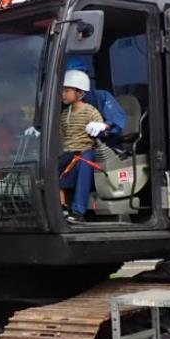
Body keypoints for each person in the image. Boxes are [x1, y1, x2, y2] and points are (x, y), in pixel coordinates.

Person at [58, 69, 104, 223]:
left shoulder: (90, 111)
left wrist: (101, 127)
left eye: (67, 90)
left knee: (85, 163)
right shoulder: (65, 114)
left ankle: (78, 211)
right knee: (50, 168)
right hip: (69, 152)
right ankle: (61, 207)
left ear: (79, 92)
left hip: (86, 151)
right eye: (62, 90)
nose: (63, 94)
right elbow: (62, 133)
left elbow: (101, 128)